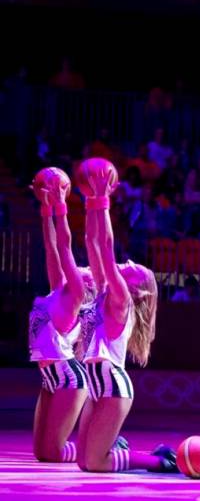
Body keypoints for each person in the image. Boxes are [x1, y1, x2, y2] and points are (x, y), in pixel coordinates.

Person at [76, 159, 175, 473]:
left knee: (95, 462)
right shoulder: (108, 291)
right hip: (96, 382)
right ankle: (123, 445)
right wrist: (91, 200)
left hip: (113, 385)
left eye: (134, 268)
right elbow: (92, 242)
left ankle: (158, 461)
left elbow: (106, 248)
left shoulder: (122, 301)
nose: (128, 261)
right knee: (83, 461)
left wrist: (104, 199)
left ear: (139, 290)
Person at [29, 169, 95, 463]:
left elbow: (65, 247)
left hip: (68, 377)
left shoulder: (75, 297)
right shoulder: (58, 291)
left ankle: (108, 446)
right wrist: (45, 209)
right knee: (41, 453)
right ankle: (96, 444)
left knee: (53, 453)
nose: (80, 269)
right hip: (49, 376)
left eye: (85, 272)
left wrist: (60, 206)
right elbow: (51, 248)